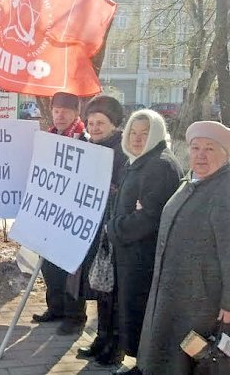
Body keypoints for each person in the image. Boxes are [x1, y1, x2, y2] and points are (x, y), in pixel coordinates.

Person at [135, 121, 230, 375]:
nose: (200, 154)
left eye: (210, 149)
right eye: (195, 147)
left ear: (226, 154)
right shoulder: (191, 181)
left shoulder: (224, 191)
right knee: (169, 349)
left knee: (193, 357)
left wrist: (229, 303)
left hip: (202, 298)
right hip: (175, 290)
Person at [107, 109, 183, 374]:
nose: (137, 139)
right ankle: (140, 363)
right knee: (131, 309)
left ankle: (145, 366)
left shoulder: (159, 165)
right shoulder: (139, 160)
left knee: (141, 311)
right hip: (132, 254)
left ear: (157, 134)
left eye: (145, 133)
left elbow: (148, 217)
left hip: (144, 256)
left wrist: (114, 228)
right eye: (133, 133)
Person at [32, 91, 90, 335]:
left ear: (76, 113)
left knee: (71, 269)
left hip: (73, 216)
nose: (60, 115)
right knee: (50, 266)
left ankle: (75, 315)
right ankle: (55, 308)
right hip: (50, 214)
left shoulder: (85, 140)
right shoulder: (49, 138)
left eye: (65, 111)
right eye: (56, 111)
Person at [77, 96, 127, 365]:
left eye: (101, 123)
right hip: (90, 226)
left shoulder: (123, 151)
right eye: (91, 122)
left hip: (112, 229)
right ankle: (101, 337)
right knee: (98, 284)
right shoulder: (86, 145)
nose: (94, 128)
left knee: (112, 287)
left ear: (114, 125)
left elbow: (122, 190)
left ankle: (114, 344)